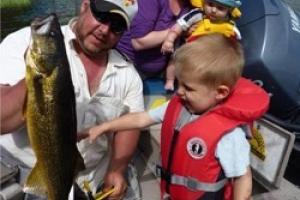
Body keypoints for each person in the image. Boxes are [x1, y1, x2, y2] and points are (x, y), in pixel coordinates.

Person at [81, 34, 270, 199]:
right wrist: (103, 127)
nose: (179, 92)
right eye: (179, 83)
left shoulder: (229, 136)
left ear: (220, 92)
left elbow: (242, 179)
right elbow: (141, 119)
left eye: (188, 88)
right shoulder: (179, 106)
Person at [0, 0, 144, 199]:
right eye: (101, 16)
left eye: (116, 26)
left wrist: (117, 169)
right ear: (85, 5)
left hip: (91, 179)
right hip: (25, 174)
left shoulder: (128, 74)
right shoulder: (22, 42)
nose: (104, 29)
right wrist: (38, 77)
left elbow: (130, 124)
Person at [162, 0, 242, 91]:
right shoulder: (198, 14)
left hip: (210, 54)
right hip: (190, 47)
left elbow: (236, 41)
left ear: (229, 10)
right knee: (175, 59)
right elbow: (180, 25)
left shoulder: (229, 24)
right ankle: (170, 80)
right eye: (210, 4)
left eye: (220, 8)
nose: (213, 10)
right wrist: (170, 39)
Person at [116, 0, 192, 79]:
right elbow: (139, 42)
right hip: (129, 66)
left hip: (163, 70)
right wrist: (179, 30)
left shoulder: (194, 5)